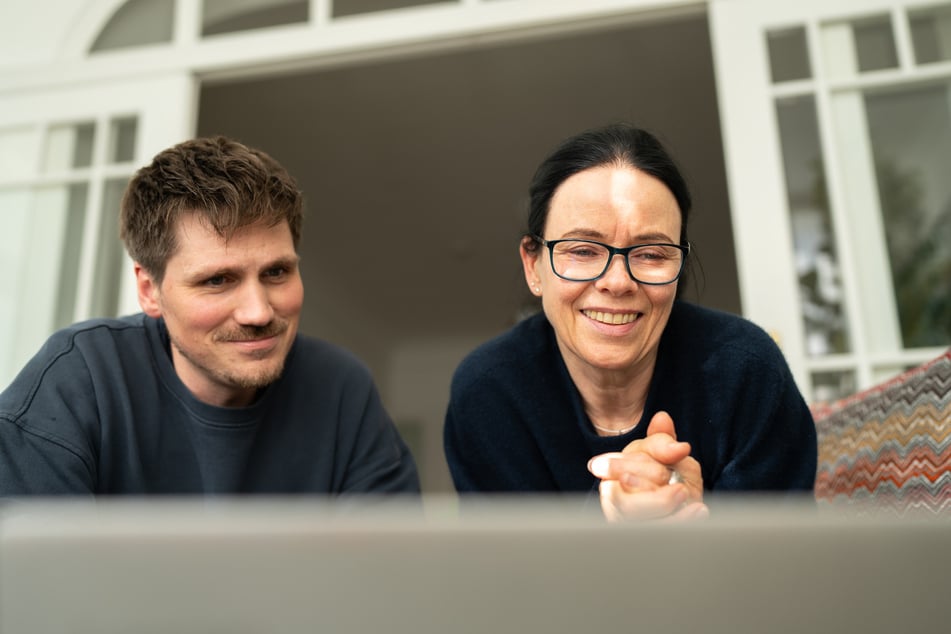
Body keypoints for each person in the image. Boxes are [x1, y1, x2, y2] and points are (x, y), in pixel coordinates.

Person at [0, 136, 420, 496]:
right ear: (150, 291)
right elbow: (32, 583)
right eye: (217, 280)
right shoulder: (79, 379)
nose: (258, 312)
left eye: (276, 272)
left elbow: (393, 575)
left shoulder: (342, 388)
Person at [443, 123, 816, 520]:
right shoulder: (490, 394)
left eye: (652, 254)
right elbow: (513, 574)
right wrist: (615, 515)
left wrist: (697, 518)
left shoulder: (746, 373)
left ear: (680, 266)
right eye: (583, 250)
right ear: (533, 266)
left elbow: (783, 568)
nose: (618, 282)